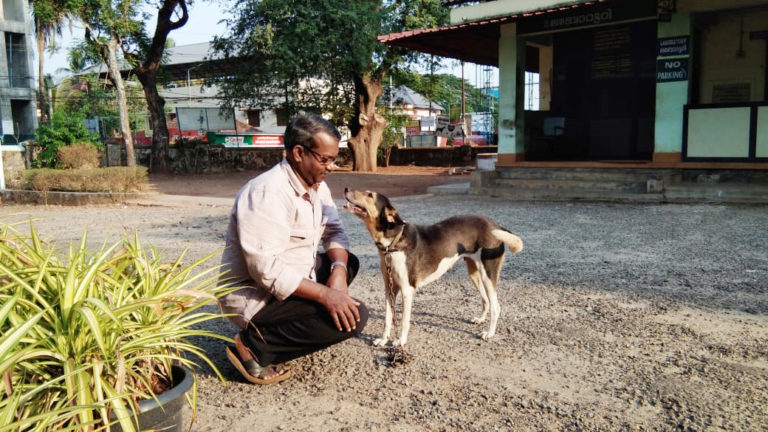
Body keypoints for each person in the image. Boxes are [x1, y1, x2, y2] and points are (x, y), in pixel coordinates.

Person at [219, 113, 368, 385]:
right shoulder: (267, 193)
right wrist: (326, 295)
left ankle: (285, 327)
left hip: (293, 274)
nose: (332, 167)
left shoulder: (315, 185)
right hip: (255, 295)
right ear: (299, 152)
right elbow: (265, 270)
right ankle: (253, 345)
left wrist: (338, 273)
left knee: (349, 263)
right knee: (356, 318)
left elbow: (335, 232)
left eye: (335, 158)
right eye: (325, 159)